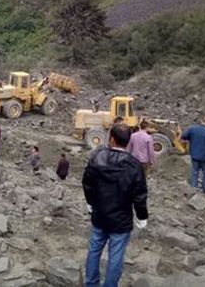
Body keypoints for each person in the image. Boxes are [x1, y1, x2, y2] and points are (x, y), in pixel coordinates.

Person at [83, 123, 148, 287]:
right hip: (121, 219)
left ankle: (91, 283)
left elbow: (87, 183)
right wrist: (142, 217)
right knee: (116, 257)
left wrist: (90, 203)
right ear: (127, 141)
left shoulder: (97, 157)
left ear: (111, 138)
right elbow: (139, 194)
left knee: (94, 251)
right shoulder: (134, 165)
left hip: (100, 215)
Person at [182, 116, 205, 193]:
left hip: (194, 154)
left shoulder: (193, 129)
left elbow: (184, 136)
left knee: (195, 171)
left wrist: (191, 139)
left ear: (201, 121)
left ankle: (194, 186)